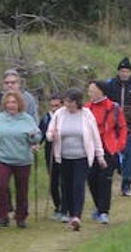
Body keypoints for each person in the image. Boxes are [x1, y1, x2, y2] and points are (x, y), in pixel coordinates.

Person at [46, 87, 105, 232]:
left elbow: (95, 136)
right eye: (66, 101)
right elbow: (49, 132)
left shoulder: (86, 115)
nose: (67, 104)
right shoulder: (59, 114)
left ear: (77, 102)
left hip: (82, 157)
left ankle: (76, 216)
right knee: (66, 186)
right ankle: (70, 212)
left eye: (70, 102)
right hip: (64, 156)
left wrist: (100, 155)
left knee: (78, 185)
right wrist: (51, 135)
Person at [0, 91, 41, 229]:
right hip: (3, 158)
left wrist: (33, 137)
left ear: (19, 104)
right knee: (2, 186)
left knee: (22, 189)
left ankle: (21, 217)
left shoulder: (27, 119)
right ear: (4, 104)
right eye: (9, 102)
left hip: (23, 159)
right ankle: (2, 216)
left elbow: (37, 137)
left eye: (14, 102)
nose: (11, 105)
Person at [103, 57, 131, 197]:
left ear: (130, 72)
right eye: (122, 71)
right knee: (114, 154)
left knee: (129, 154)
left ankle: (126, 184)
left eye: (127, 71)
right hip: (113, 126)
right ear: (118, 72)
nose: (124, 73)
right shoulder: (110, 84)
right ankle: (113, 175)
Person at [85, 80, 126, 225]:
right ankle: (98, 207)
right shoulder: (86, 108)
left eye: (92, 90)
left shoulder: (114, 108)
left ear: (101, 91)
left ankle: (103, 211)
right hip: (90, 149)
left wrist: (119, 145)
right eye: (89, 90)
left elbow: (122, 127)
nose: (90, 93)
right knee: (91, 180)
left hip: (108, 149)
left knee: (105, 180)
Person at [0, 70, 39, 136]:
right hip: (2, 136)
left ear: (18, 84)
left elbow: (34, 119)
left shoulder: (28, 98)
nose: (9, 85)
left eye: (13, 83)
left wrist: (34, 137)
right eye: (6, 83)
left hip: (21, 136)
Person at [39, 93, 66, 221]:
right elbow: (41, 135)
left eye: (57, 105)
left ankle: (66, 206)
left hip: (65, 152)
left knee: (64, 180)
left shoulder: (67, 117)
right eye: (52, 106)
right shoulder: (46, 118)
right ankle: (58, 206)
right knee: (53, 181)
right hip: (50, 153)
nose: (54, 109)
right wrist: (36, 144)